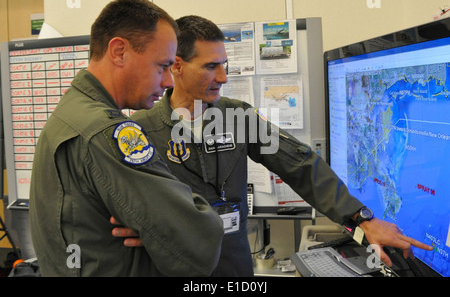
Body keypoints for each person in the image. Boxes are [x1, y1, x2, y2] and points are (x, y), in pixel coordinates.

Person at [114, 15, 432, 276]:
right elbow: (114, 203)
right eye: (211, 66)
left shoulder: (238, 117)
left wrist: (360, 217)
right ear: (177, 66)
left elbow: (301, 164)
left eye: (224, 64)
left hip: (233, 269)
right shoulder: (139, 131)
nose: (223, 77)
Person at [29, 0, 224, 277]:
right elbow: (198, 235)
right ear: (119, 51)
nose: (169, 81)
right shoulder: (106, 131)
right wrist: (164, 232)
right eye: (162, 66)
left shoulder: (69, 114)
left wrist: (156, 231)